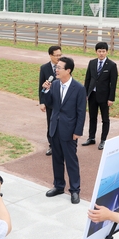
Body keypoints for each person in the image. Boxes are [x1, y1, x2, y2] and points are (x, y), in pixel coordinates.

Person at [41, 56, 86, 204]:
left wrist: (78, 131)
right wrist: (46, 91)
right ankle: (59, 186)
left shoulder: (79, 88)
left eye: (59, 67)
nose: (56, 70)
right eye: (56, 67)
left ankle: (75, 190)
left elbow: (81, 112)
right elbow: (49, 104)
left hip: (69, 130)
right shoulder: (54, 85)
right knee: (57, 160)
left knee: (71, 161)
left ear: (68, 70)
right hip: (55, 128)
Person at [83, 42, 118, 150]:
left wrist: (111, 98)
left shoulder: (112, 65)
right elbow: (88, 79)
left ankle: (103, 140)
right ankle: (91, 137)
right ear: (96, 52)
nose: (101, 53)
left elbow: (113, 84)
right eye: (99, 51)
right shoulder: (92, 63)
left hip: (104, 96)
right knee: (92, 117)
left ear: (107, 52)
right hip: (92, 95)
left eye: (103, 51)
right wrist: (85, 93)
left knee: (105, 119)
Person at [39, 46, 62, 156]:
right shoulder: (44, 68)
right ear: (50, 55)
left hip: (62, 100)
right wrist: (42, 102)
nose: (58, 57)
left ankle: (61, 144)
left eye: (60, 55)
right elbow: (41, 86)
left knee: (62, 123)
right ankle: (52, 145)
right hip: (49, 101)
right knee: (51, 123)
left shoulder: (63, 66)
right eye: (56, 55)